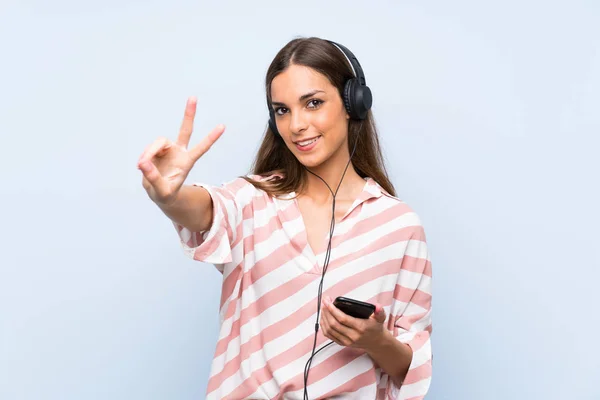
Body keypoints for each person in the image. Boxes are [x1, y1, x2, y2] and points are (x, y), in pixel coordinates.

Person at [137, 37, 432, 400]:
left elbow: (411, 366)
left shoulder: (399, 226)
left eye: (313, 103)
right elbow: (203, 211)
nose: (296, 125)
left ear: (353, 103)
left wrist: (376, 340)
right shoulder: (251, 201)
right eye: (282, 110)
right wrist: (168, 196)